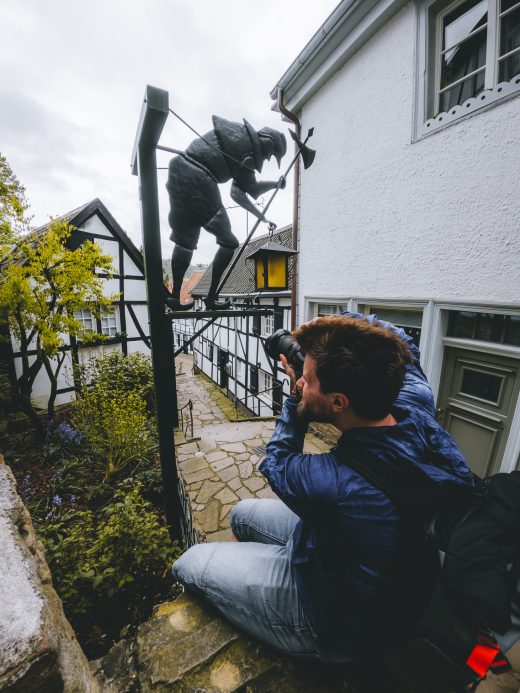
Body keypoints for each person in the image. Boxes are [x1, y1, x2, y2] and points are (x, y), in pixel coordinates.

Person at [172, 313, 474, 662]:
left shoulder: (337, 482)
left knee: (190, 561)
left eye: (308, 379)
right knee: (241, 513)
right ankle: (253, 570)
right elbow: (395, 338)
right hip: (358, 562)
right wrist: (330, 337)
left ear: (338, 402)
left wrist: (295, 401)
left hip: (336, 618)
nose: (301, 379)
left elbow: (277, 461)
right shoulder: (412, 402)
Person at [165, 116, 286, 311]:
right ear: (267, 143)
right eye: (270, 155)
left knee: (185, 241)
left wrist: (262, 217)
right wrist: (275, 184)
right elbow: (251, 189)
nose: (266, 159)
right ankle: (210, 298)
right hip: (200, 177)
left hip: (180, 169)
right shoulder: (247, 150)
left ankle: (174, 297)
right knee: (229, 242)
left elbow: (238, 193)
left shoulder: (238, 134)